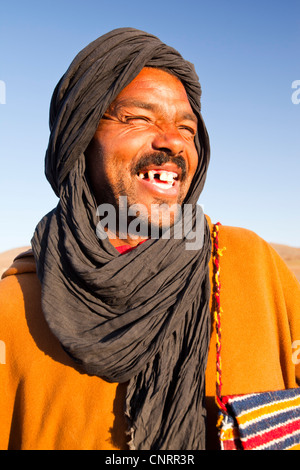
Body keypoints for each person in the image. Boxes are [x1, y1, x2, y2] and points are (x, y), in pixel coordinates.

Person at [0, 27, 299, 451]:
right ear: (79, 137)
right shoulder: (13, 311)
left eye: (187, 128)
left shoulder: (248, 265)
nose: (173, 141)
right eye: (139, 118)